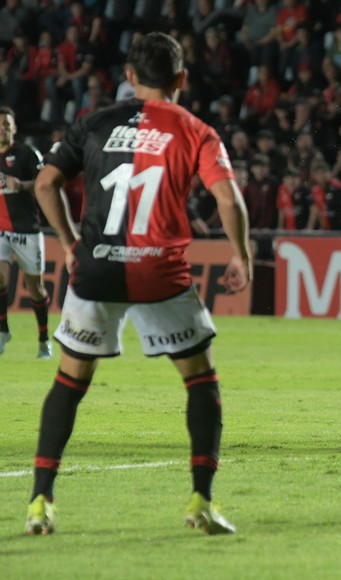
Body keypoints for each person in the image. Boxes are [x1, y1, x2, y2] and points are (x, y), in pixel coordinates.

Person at [27, 32, 252, 536]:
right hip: (159, 271)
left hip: (96, 267)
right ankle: (201, 499)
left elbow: (44, 183)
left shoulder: (94, 122)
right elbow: (228, 197)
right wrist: (241, 253)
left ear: (130, 77)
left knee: (69, 382)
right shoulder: (195, 129)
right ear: (181, 78)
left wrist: (68, 241)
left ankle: (40, 501)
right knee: (200, 380)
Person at [0, 106, 52, 359]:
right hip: (1, 231)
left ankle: (43, 339)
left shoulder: (26, 153)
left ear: (14, 128)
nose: (2, 129)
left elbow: (44, 183)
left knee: (36, 290)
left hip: (26, 230)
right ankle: (2, 331)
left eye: (6, 125)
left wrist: (21, 185)